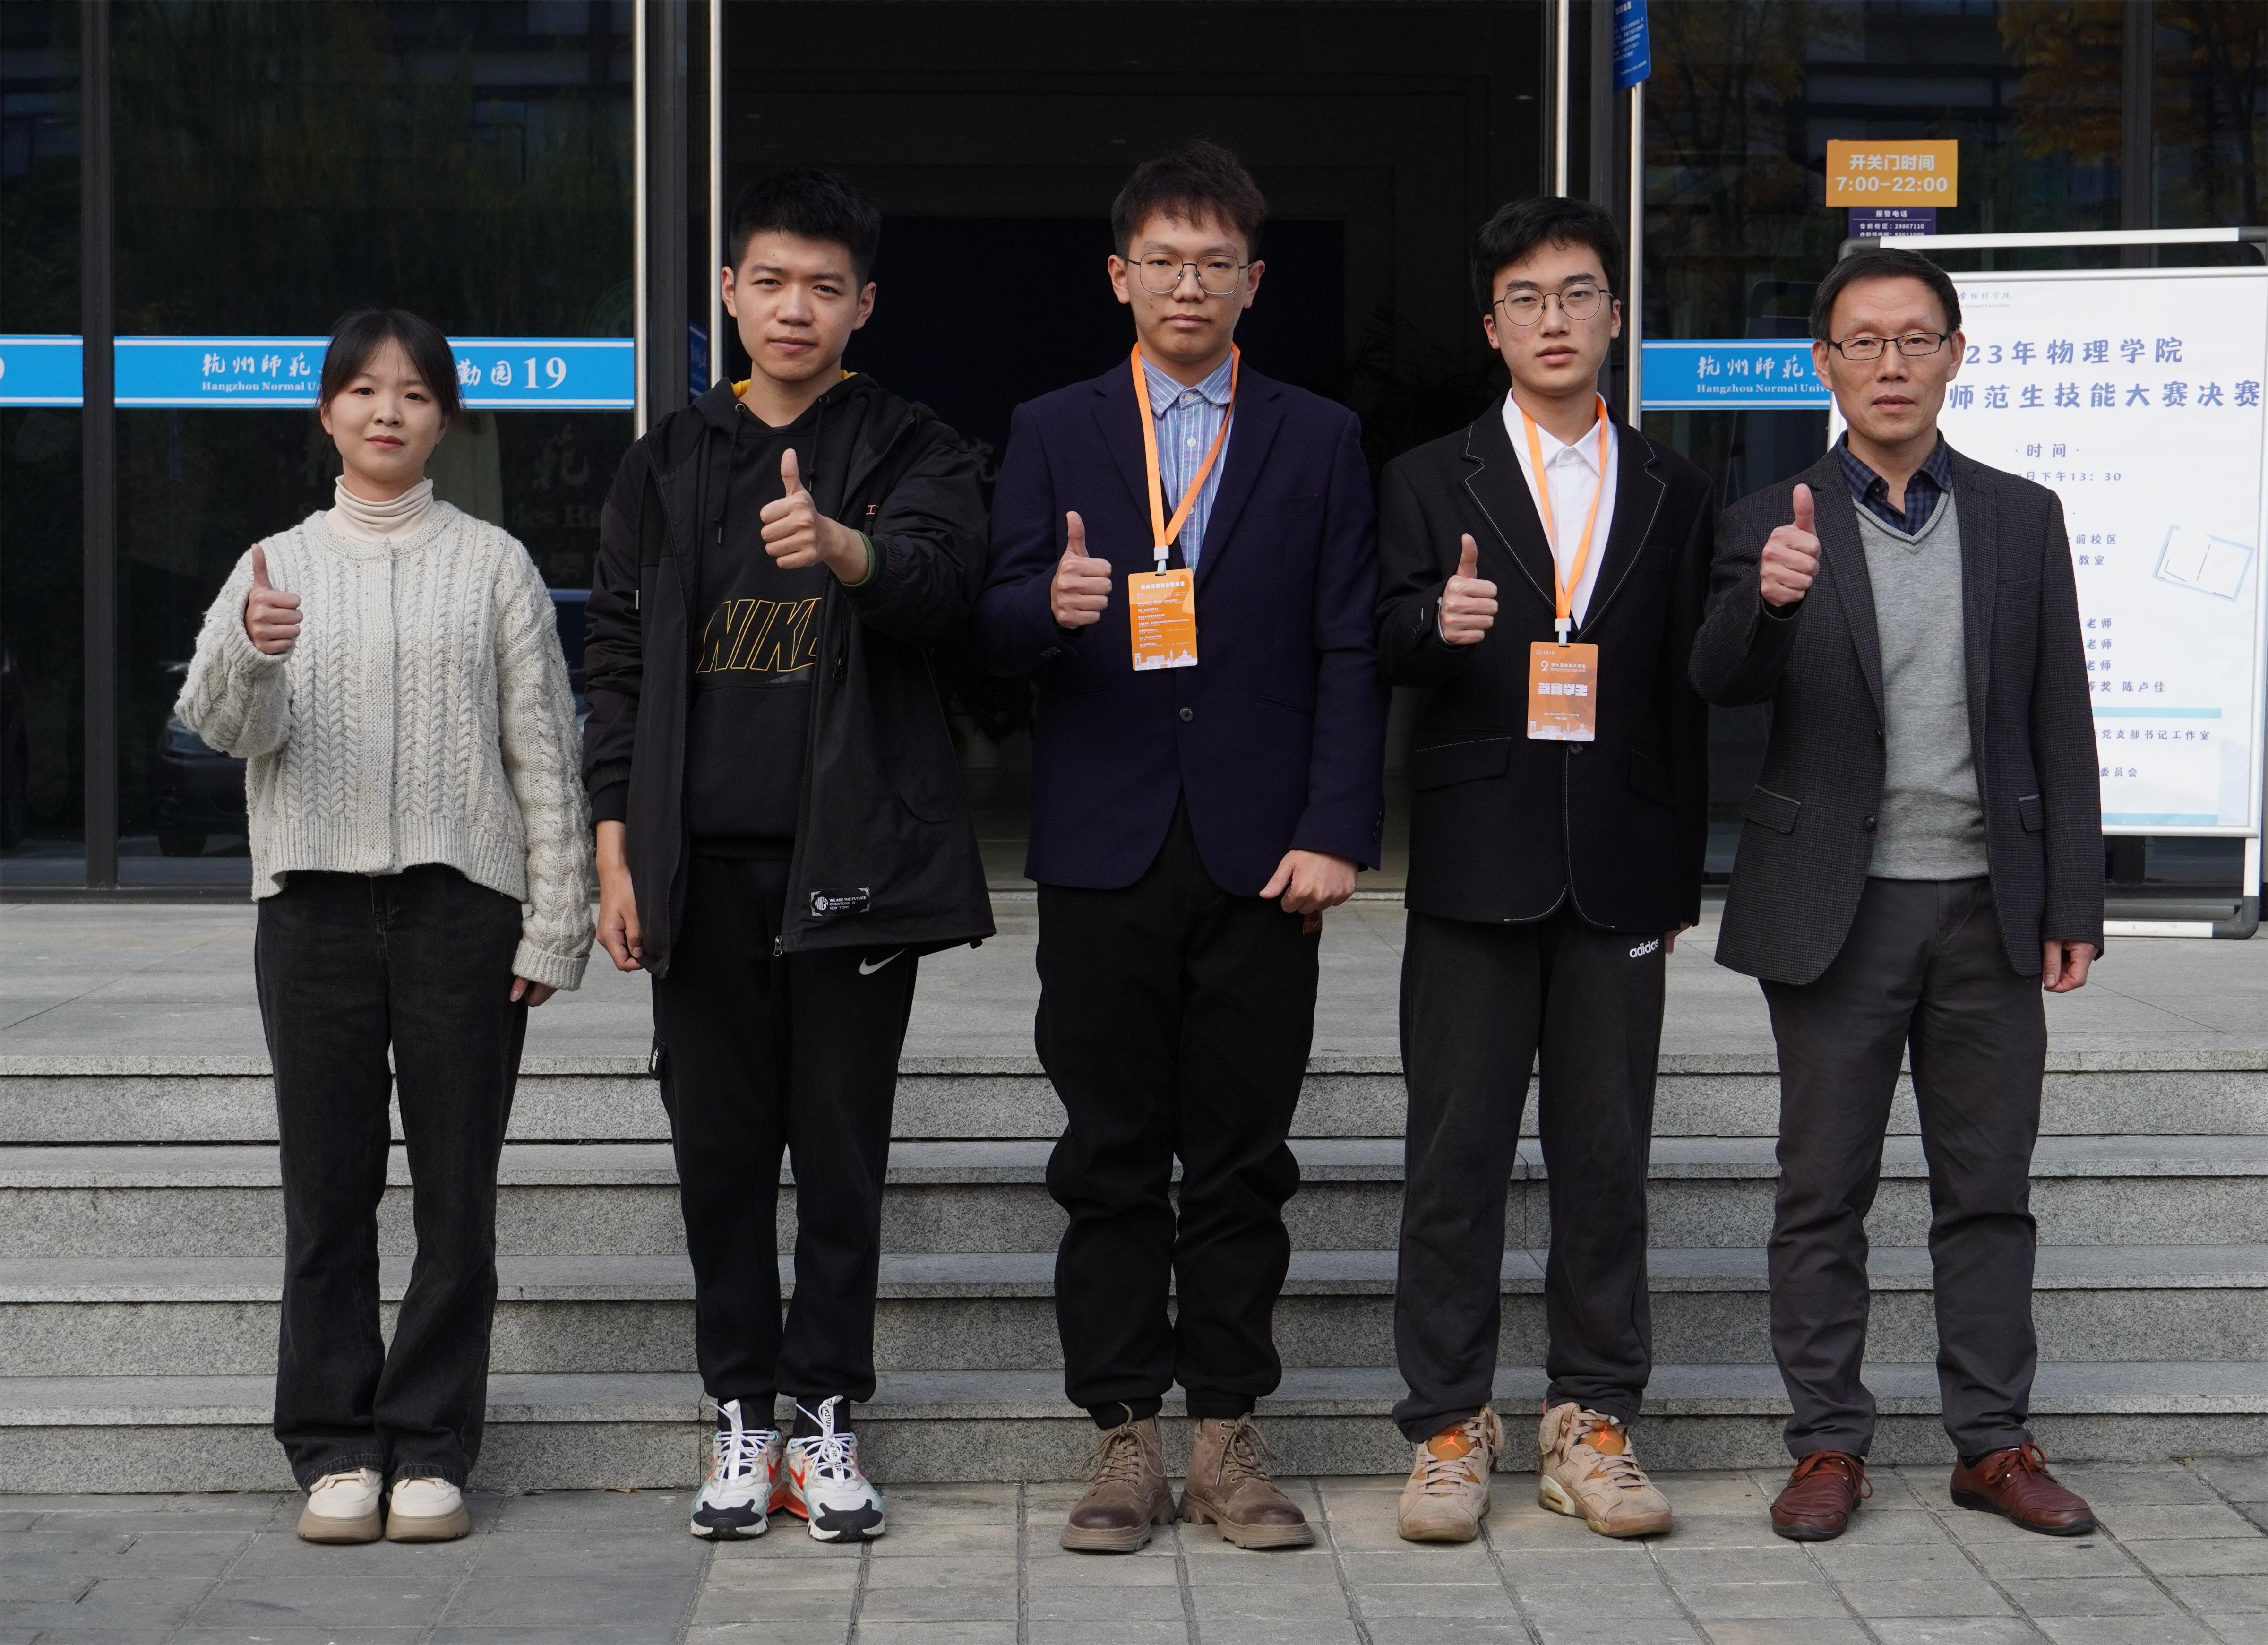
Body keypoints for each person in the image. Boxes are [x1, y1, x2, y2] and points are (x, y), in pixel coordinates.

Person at [976, 140, 1386, 1554]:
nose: (1189, 285)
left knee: (1241, 1159)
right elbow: (989, 629)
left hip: (1265, 858)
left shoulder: (1318, 437)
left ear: (1253, 281)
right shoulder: (1052, 428)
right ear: (1119, 276)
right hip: (1104, 846)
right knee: (1107, 1155)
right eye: (1164, 261)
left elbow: (1349, 645)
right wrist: (1046, 607)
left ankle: (1227, 1436)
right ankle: (1122, 1438)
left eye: (1217, 263)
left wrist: (1336, 830)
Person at [582, 168, 991, 1545]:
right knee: (719, 1158)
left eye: (825, 286)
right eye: (769, 281)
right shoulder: (667, 459)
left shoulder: (912, 443)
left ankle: (824, 1417)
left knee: (840, 1155)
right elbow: (618, 662)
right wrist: (616, 851)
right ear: (728, 293)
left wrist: (845, 549)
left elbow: (944, 587)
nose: (795, 308)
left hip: (853, 866)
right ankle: (740, 1419)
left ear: (864, 304)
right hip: (699, 871)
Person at [1691, 245, 2103, 1542]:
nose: (1890, 364)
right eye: (1863, 342)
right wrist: (1767, 604)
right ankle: (1828, 1444)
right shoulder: (1770, 518)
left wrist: (2073, 900)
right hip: (1838, 906)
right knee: (1822, 1189)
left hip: (1989, 902)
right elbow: (1714, 683)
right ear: (1825, 364)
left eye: (1915, 339)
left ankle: (1994, 1443)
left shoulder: (2021, 516)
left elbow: (2060, 714)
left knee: (1989, 1190)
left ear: (1955, 356)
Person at [177, 309, 593, 1546]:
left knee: (457, 1194)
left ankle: (430, 1445)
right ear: (327, 414)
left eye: (413, 393)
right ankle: (334, 1446)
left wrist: (555, 921)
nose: (388, 411)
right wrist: (255, 655)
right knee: (328, 1192)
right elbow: (219, 728)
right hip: (311, 907)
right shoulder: (274, 562)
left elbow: (544, 754)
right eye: (364, 390)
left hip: (464, 907)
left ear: (443, 420)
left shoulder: (496, 565)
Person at [1373, 197, 1712, 1545]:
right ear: (1492, 326)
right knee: (1452, 1155)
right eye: (1527, 299)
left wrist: (1679, 878)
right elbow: (1376, 635)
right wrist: (1432, 622)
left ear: (1616, 315)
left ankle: (1595, 1421)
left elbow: (1685, 694)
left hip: (1622, 863)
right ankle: (1448, 1427)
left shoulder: (1675, 484)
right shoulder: (1427, 477)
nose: (1554, 319)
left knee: (1608, 1157)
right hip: (1476, 860)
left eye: (1578, 294)